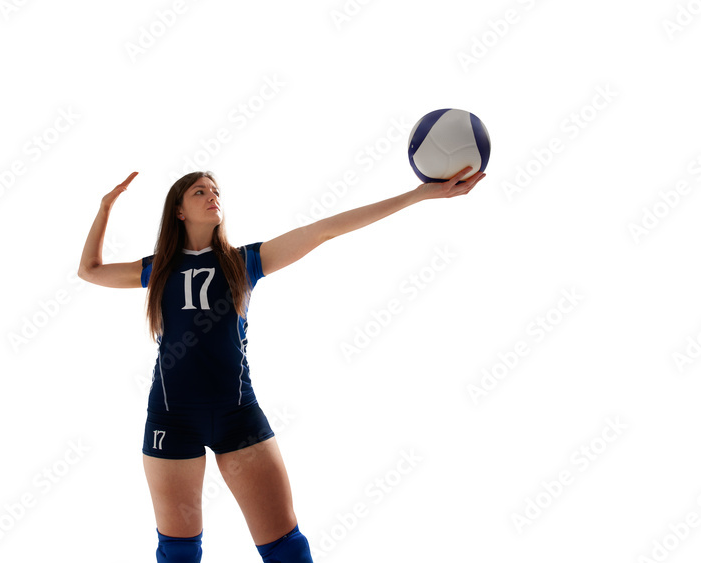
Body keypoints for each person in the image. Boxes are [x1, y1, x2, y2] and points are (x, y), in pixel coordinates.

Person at [77, 167, 485, 562]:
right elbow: (89, 270)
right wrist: (105, 207)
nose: (212, 196)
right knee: (178, 553)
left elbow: (324, 229)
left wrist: (419, 195)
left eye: (215, 190)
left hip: (238, 415)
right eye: (199, 192)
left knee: (286, 549)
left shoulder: (244, 261)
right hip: (171, 417)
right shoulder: (158, 270)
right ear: (179, 211)